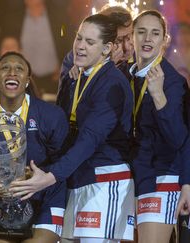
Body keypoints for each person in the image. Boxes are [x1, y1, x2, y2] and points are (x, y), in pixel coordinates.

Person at [11, 14, 135, 242]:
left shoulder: (113, 83)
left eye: (90, 42)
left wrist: (50, 176)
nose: (80, 46)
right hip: (77, 178)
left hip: (104, 181)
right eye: (79, 38)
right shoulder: (77, 78)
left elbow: (90, 139)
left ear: (107, 48)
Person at [0, 51, 68, 243]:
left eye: (19, 69)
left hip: (46, 197)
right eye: (5, 68)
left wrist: (38, 176)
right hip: (0, 201)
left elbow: (63, 163)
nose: (12, 72)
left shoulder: (51, 115)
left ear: (28, 80)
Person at [129, 10, 188, 243]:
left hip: (161, 176)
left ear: (165, 40)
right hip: (130, 177)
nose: (147, 39)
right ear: (132, 36)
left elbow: (179, 138)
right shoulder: (125, 74)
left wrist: (158, 96)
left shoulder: (173, 82)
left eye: (155, 33)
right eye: (141, 32)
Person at [60, 5, 134, 81]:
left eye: (129, 37)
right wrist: (107, 66)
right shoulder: (76, 59)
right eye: (118, 41)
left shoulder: (140, 58)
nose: (127, 47)